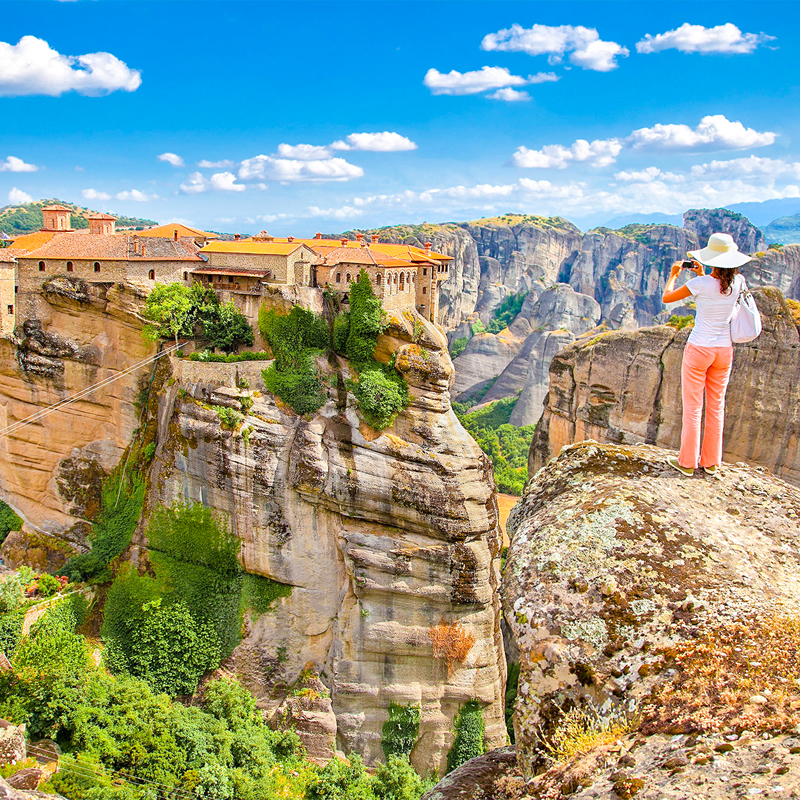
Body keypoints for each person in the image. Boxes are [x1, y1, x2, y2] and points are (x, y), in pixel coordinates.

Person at [661, 232, 751, 477]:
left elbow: (667, 297)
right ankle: (711, 463)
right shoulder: (739, 282)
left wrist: (674, 275)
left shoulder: (700, 284)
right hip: (724, 351)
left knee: (693, 407)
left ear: (711, 259)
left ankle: (687, 463)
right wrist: (702, 275)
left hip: (699, 349)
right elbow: (719, 290)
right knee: (716, 406)